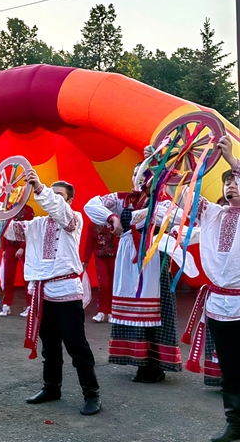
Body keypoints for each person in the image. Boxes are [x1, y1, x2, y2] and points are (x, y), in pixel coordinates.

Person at [0, 171, 101, 416]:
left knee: (77, 346)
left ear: (70, 200)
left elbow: (59, 211)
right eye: (50, 194)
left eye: (59, 195)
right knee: (49, 346)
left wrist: (41, 188)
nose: (53, 198)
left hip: (65, 290)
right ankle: (51, 387)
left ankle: (92, 394)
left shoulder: (73, 219)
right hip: (41, 290)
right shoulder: (35, 224)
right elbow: (9, 229)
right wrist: (1, 199)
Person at [84, 175, 182, 384]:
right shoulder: (122, 199)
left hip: (155, 256)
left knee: (157, 309)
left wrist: (149, 212)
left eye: (148, 174)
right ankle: (139, 361)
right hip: (129, 259)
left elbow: (173, 217)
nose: (143, 178)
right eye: (139, 173)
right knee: (134, 309)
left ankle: (156, 364)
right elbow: (91, 205)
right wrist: (113, 218)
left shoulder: (165, 201)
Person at [180, 135, 240, 442]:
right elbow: (184, 197)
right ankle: (236, 425)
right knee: (231, 369)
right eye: (228, 182)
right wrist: (170, 166)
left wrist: (231, 160)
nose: (231, 185)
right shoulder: (214, 214)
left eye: (237, 181)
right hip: (218, 304)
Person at [0, 205, 35, 317]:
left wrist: (22, 247)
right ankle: (6, 304)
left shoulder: (28, 210)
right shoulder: (8, 209)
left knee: (27, 277)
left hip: (25, 248)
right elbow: (4, 229)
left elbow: (29, 230)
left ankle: (30, 305)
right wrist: (4, 248)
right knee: (8, 276)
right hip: (10, 246)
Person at [80, 220, 117, 323]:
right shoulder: (93, 223)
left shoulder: (116, 220)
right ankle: (101, 311)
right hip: (100, 256)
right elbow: (89, 242)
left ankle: (111, 312)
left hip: (115, 256)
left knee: (114, 284)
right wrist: (85, 260)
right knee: (103, 284)